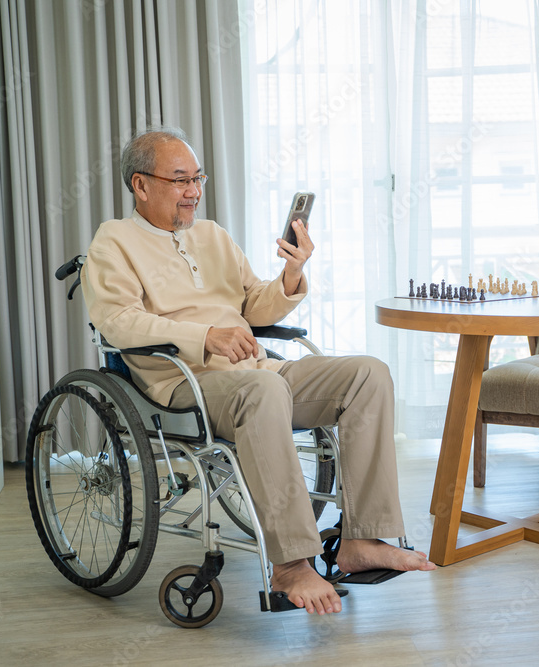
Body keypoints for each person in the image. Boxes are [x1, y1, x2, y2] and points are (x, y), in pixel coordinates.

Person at [82, 128, 435, 614]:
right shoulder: (114, 242)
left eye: (197, 178)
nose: (194, 191)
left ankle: (362, 540)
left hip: (255, 369)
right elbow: (117, 321)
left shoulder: (212, 236)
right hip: (186, 383)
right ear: (141, 185)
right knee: (265, 387)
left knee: (368, 373)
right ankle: (291, 564)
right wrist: (205, 335)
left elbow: (256, 306)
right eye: (181, 179)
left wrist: (291, 273)